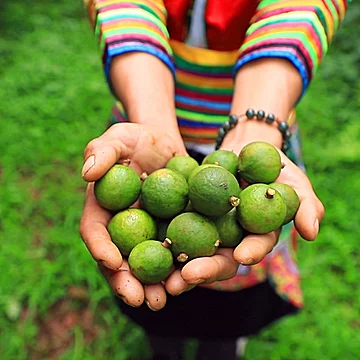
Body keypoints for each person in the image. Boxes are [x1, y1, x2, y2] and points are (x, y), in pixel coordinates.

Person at [80, 1, 348, 358]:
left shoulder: (244, 188)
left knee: (238, 270)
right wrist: (150, 117)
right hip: (151, 133)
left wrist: (257, 124)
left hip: (258, 131)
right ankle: (162, 342)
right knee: (155, 288)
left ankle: (224, 341)